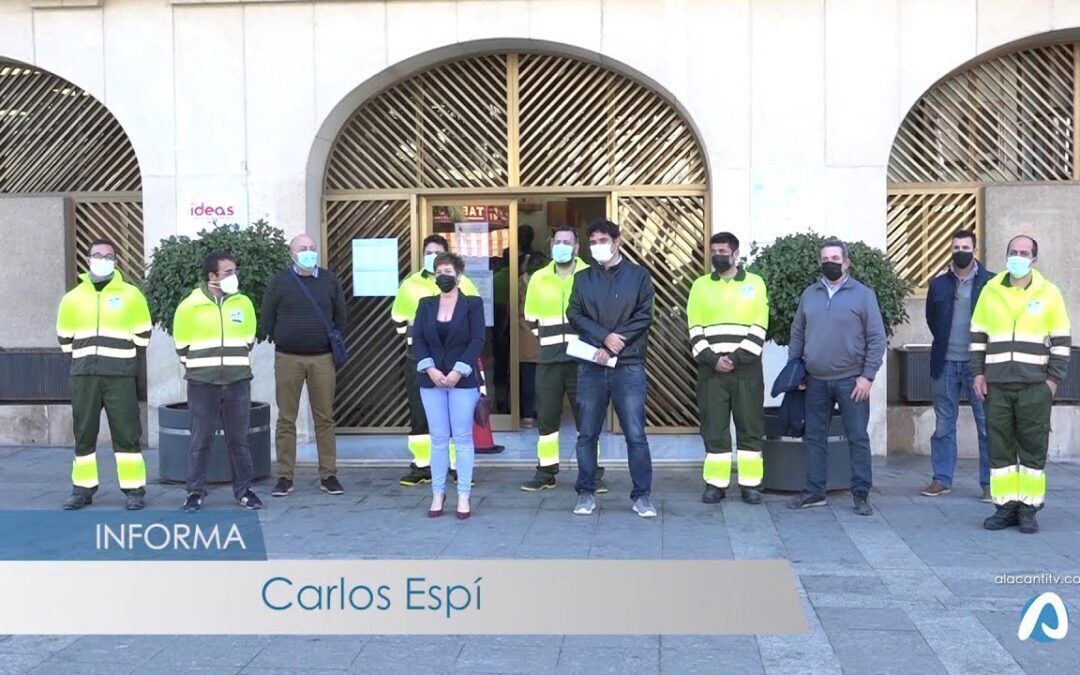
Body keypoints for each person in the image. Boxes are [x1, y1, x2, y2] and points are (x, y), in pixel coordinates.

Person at [973, 234, 1070, 534]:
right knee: (1000, 450)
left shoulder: (1049, 293)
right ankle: (1005, 508)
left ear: (1034, 259)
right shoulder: (990, 291)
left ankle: (1029, 509)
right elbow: (978, 336)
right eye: (1013, 252)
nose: (1017, 257)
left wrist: (1052, 381)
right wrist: (978, 373)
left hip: (1035, 386)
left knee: (1032, 449)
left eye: (1024, 252)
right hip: (997, 385)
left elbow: (1062, 341)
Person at [787, 238, 886, 516]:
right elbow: (797, 333)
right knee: (815, 437)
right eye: (825, 259)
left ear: (846, 262)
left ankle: (861, 494)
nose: (829, 263)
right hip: (815, 380)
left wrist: (867, 376)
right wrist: (796, 370)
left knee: (857, 437)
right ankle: (815, 491)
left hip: (851, 380)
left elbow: (877, 338)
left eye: (835, 258)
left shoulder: (863, 295)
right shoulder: (810, 294)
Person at [567, 219, 656, 518]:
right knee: (587, 433)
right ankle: (586, 492)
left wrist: (618, 340)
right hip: (592, 364)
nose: (598, 246)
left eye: (603, 240)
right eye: (593, 241)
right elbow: (574, 314)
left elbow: (645, 315)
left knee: (635, 434)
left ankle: (642, 495)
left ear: (617, 241)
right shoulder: (583, 279)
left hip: (628, 365)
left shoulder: (638, 276)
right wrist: (603, 339)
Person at [56, 239, 152, 510]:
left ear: (117, 260)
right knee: (83, 432)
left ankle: (134, 491)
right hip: (84, 375)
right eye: (97, 254)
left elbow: (143, 335)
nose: (102, 259)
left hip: (120, 375)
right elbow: (64, 338)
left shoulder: (132, 295)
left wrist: (118, 357)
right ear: (88, 259)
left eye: (108, 255)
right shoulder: (73, 297)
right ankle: (82, 490)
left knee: (127, 432)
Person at [173, 251, 262, 512]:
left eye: (235, 271)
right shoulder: (190, 306)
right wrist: (203, 368)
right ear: (212, 276)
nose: (234, 277)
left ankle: (244, 490)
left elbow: (249, 339)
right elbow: (181, 346)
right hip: (203, 383)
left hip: (237, 380)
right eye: (228, 273)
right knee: (201, 439)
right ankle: (195, 492)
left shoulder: (243, 303)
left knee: (240, 439)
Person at [520, 225, 607, 492]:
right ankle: (546, 473)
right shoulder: (538, 278)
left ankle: (591, 474)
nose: (561, 245)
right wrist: (551, 340)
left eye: (567, 241)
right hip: (549, 359)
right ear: (550, 245)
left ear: (577, 247)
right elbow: (531, 318)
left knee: (587, 419)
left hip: (582, 359)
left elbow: (601, 316)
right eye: (557, 241)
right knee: (547, 418)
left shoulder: (591, 275)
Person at [260, 234, 347, 498]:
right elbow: (266, 319)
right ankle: (285, 476)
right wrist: (287, 336)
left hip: (322, 358)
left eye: (312, 248)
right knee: (286, 418)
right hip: (288, 358)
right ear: (291, 253)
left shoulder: (330, 280)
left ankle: (328, 474)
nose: (309, 252)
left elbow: (340, 317)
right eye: (303, 249)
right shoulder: (279, 281)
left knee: (325, 418)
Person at [686, 232, 769, 505]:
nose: (718, 256)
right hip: (711, 372)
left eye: (723, 251)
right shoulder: (700, 286)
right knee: (714, 428)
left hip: (746, 370)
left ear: (736, 253)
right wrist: (712, 359)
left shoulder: (755, 284)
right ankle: (716, 484)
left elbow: (760, 326)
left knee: (750, 427)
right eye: (714, 251)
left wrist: (734, 357)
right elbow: (694, 326)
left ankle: (750, 485)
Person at [391, 234, 479, 487]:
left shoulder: (466, 284)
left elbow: (474, 326)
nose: (433, 257)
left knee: (454, 418)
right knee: (420, 414)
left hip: (455, 364)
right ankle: (421, 467)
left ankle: (453, 467)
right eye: (428, 252)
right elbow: (398, 321)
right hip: (419, 360)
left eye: (437, 252)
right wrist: (423, 344)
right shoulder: (410, 284)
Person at [412, 253, 485, 520]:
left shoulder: (472, 304)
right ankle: (437, 493)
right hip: (430, 380)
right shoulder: (425, 304)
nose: (443, 275)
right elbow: (417, 339)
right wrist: (429, 368)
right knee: (439, 439)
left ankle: (463, 495)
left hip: (462, 380)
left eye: (448, 270)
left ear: (459, 275)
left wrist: (457, 371)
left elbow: (477, 339)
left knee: (463, 439)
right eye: (439, 271)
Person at [922, 229, 993, 501]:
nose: (960, 251)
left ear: (974, 249)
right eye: (955, 246)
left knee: (986, 425)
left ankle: (989, 483)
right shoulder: (938, 284)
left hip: (979, 367)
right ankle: (941, 479)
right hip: (945, 363)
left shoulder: (991, 282)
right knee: (943, 425)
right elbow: (932, 318)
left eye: (965, 246)